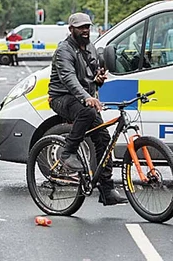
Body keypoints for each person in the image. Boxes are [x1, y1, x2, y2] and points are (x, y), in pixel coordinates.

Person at [47, 13, 127, 206]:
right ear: (71, 29)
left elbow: (91, 73)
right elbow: (69, 78)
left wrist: (97, 80)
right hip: (62, 97)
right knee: (87, 112)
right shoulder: (64, 50)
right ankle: (68, 152)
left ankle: (107, 190)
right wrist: (87, 97)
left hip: (84, 99)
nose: (85, 31)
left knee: (104, 139)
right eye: (81, 27)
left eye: (87, 27)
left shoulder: (90, 47)